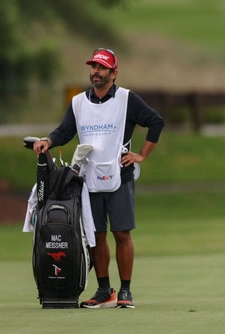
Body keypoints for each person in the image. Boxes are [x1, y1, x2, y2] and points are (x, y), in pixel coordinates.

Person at [33, 48, 165, 309]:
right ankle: (105, 290)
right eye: (93, 67)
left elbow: (156, 122)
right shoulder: (79, 102)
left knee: (121, 233)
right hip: (88, 177)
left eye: (102, 68)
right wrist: (47, 141)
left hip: (120, 174)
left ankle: (125, 291)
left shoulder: (127, 99)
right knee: (96, 235)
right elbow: (65, 131)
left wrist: (141, 155)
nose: (96, 71)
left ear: (114, 73)